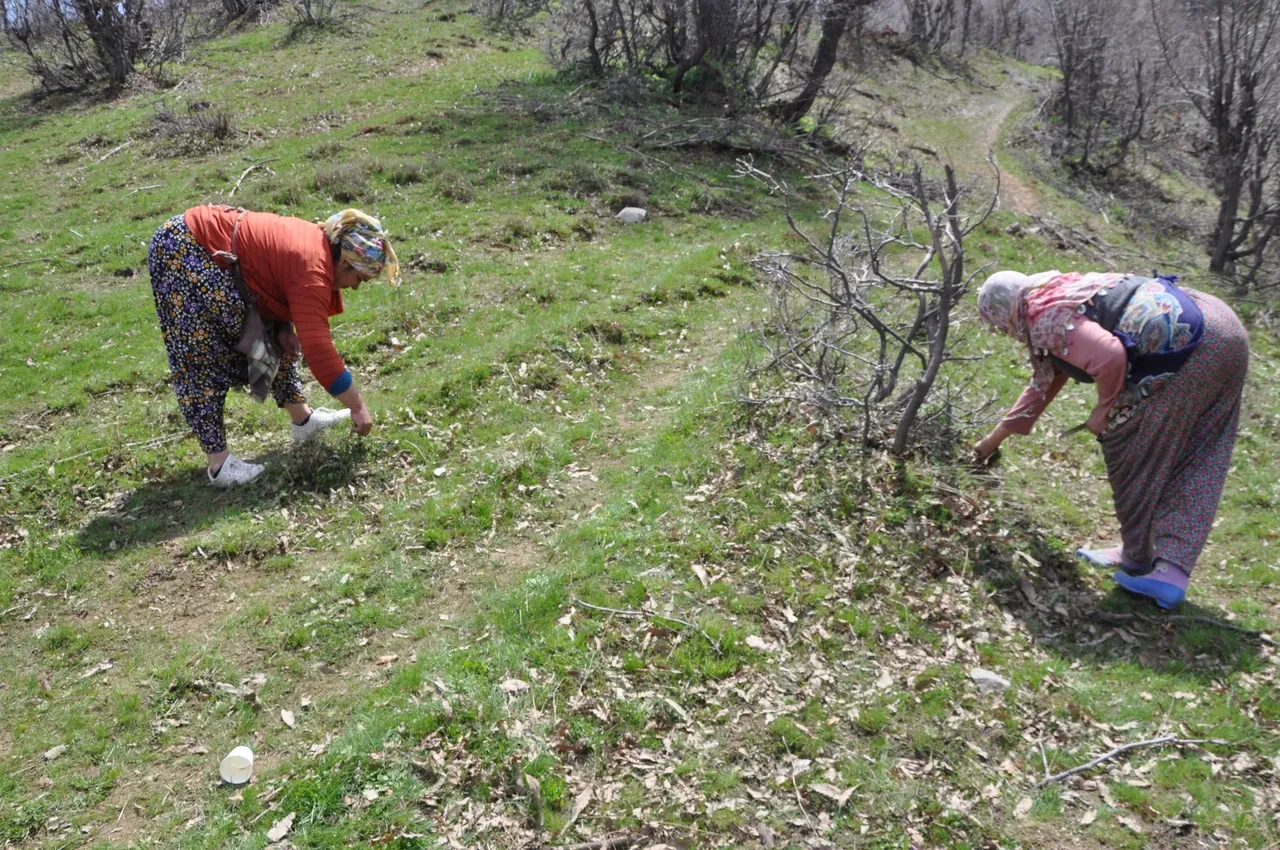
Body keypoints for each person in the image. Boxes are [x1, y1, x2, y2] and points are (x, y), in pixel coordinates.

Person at [972, 269, 1249, 609]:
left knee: (1126, 440)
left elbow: (1109, 356)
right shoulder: (1059, 293)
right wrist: (990, 444)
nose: (1006, 334)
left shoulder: (1040, 314)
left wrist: (1102, 412)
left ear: (1005, 314)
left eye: (1000, 327)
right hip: (1224, 328)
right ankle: (1165, 567)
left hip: (1188, 342)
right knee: (1201, 452)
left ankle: (1142, 560)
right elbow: (1043, 385)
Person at [147, 206, 400, 488]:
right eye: (359, 279)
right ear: (345, 264)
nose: (354, 288)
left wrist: (283, 328)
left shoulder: (318, 248)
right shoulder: (314, 266)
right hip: (185, 250)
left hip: (212, 254)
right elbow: (319, 349)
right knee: (201, 352)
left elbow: (271, 277)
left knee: (269, 334)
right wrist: (357, 406)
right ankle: (220, 466)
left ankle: (303, 421)